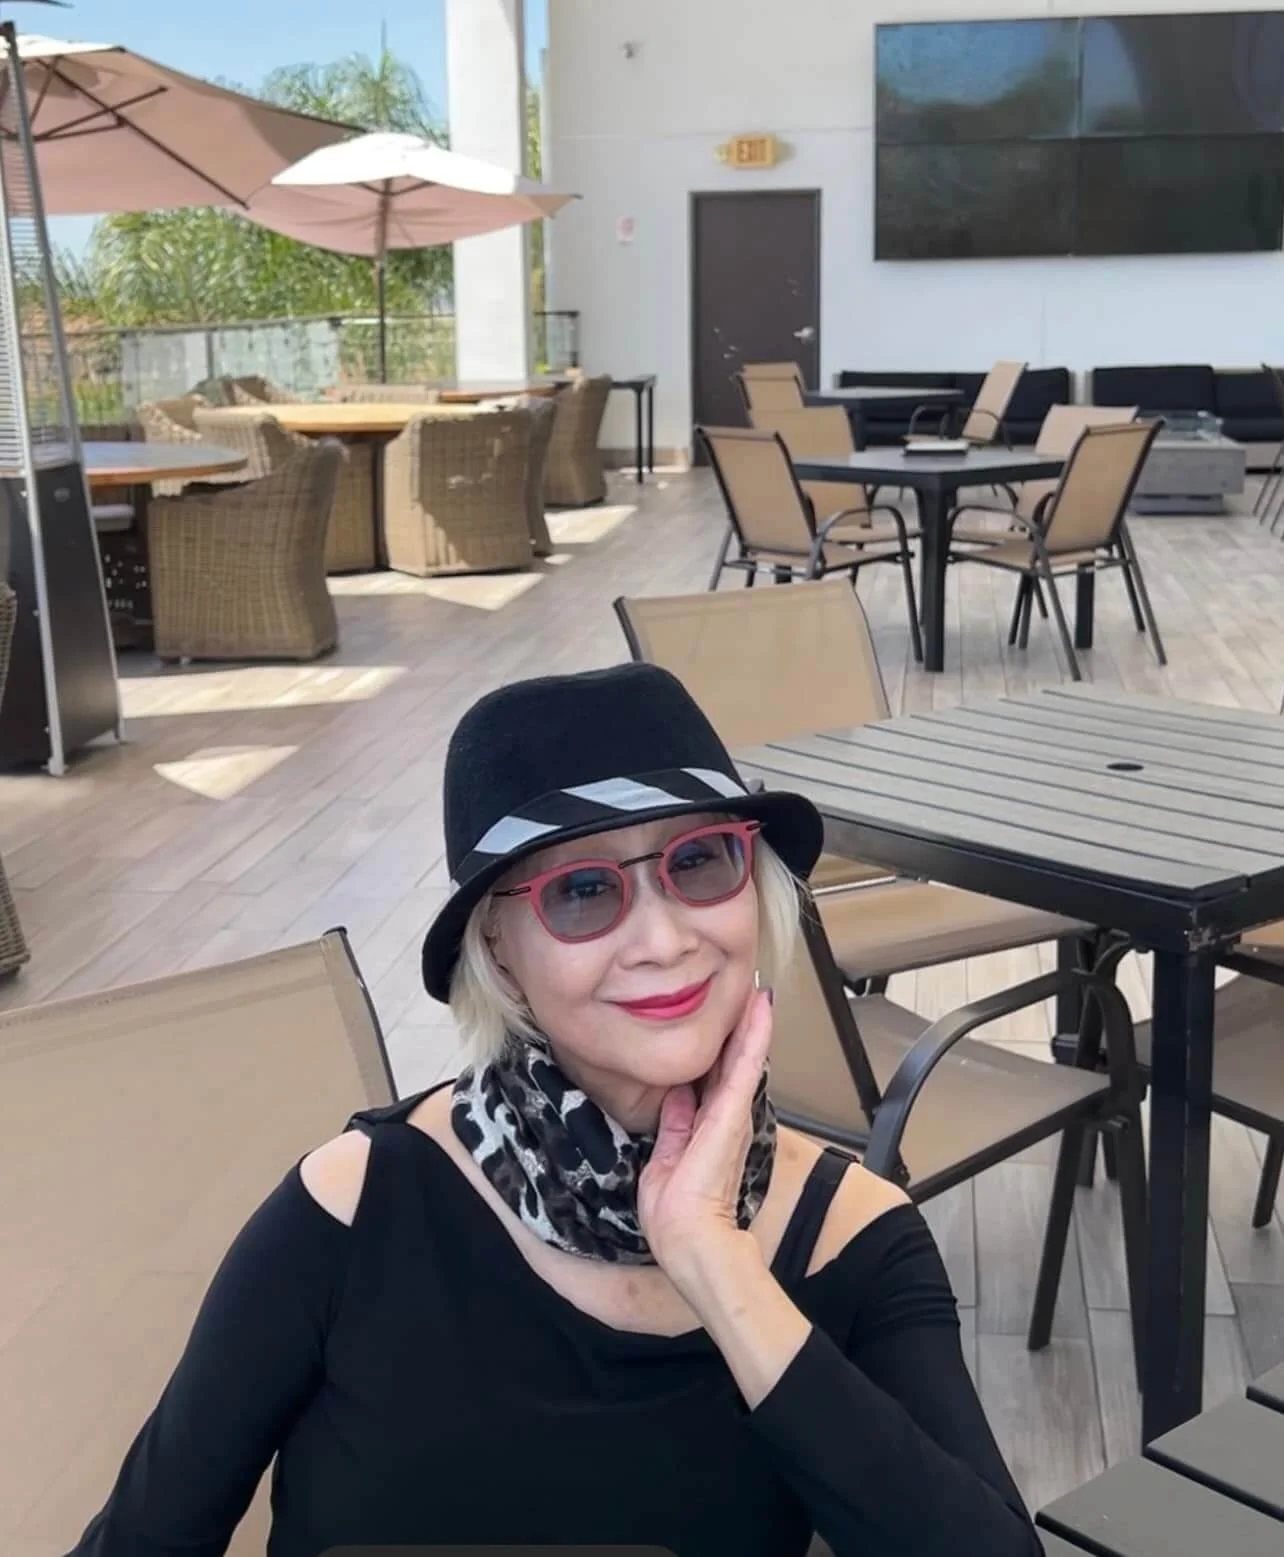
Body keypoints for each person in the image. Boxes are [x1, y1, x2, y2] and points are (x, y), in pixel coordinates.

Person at [70, 663, 1039, 1557]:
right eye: (581, 890)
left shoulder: (855, 1237)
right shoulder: (355, 1210)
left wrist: (716, 1264)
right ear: (497, 948)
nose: (663, 939)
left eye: (700, 861)